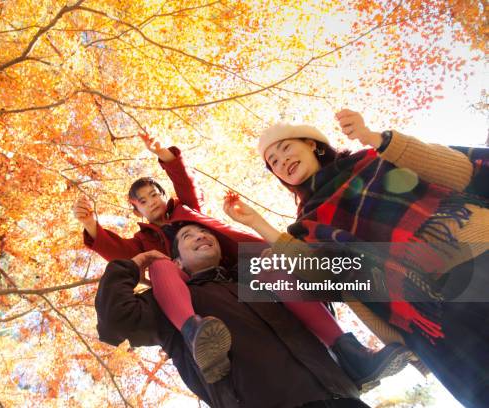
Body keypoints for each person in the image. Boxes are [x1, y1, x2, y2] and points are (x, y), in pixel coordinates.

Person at [76, 134, 408, 387]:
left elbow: (183, 181)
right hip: (190, 286)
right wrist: (91, 224)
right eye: (142, 201)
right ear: (137, 210)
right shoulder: (143, 240)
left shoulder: (186, 209)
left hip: (235, 267)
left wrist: (162, 153)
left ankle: (350, 352)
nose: (151, 202)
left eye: (154, 195)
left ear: (164, 197)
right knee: (160, 264)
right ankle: (196, 334)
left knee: (275, 270)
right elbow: (118, 252)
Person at [224, 109, 489, 407]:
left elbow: (459, 171)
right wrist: (258, 224)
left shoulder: (373, 160)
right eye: (273, 162)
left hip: (475, 262)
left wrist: (375, 138)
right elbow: (327, 275)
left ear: (313, 144)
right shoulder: (306, 225)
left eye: (285, 148)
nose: (281, 161)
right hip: (429, 321)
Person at [95, 223, 373, 408]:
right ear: (176, 261)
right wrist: (132, 265)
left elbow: (325, 296)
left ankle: (353, 352)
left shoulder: (257, 281)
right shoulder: (169, 303)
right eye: (187, 237)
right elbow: (115, 321)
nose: (201, 236)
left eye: (204, 233)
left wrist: (289, 258)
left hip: (341, 395)